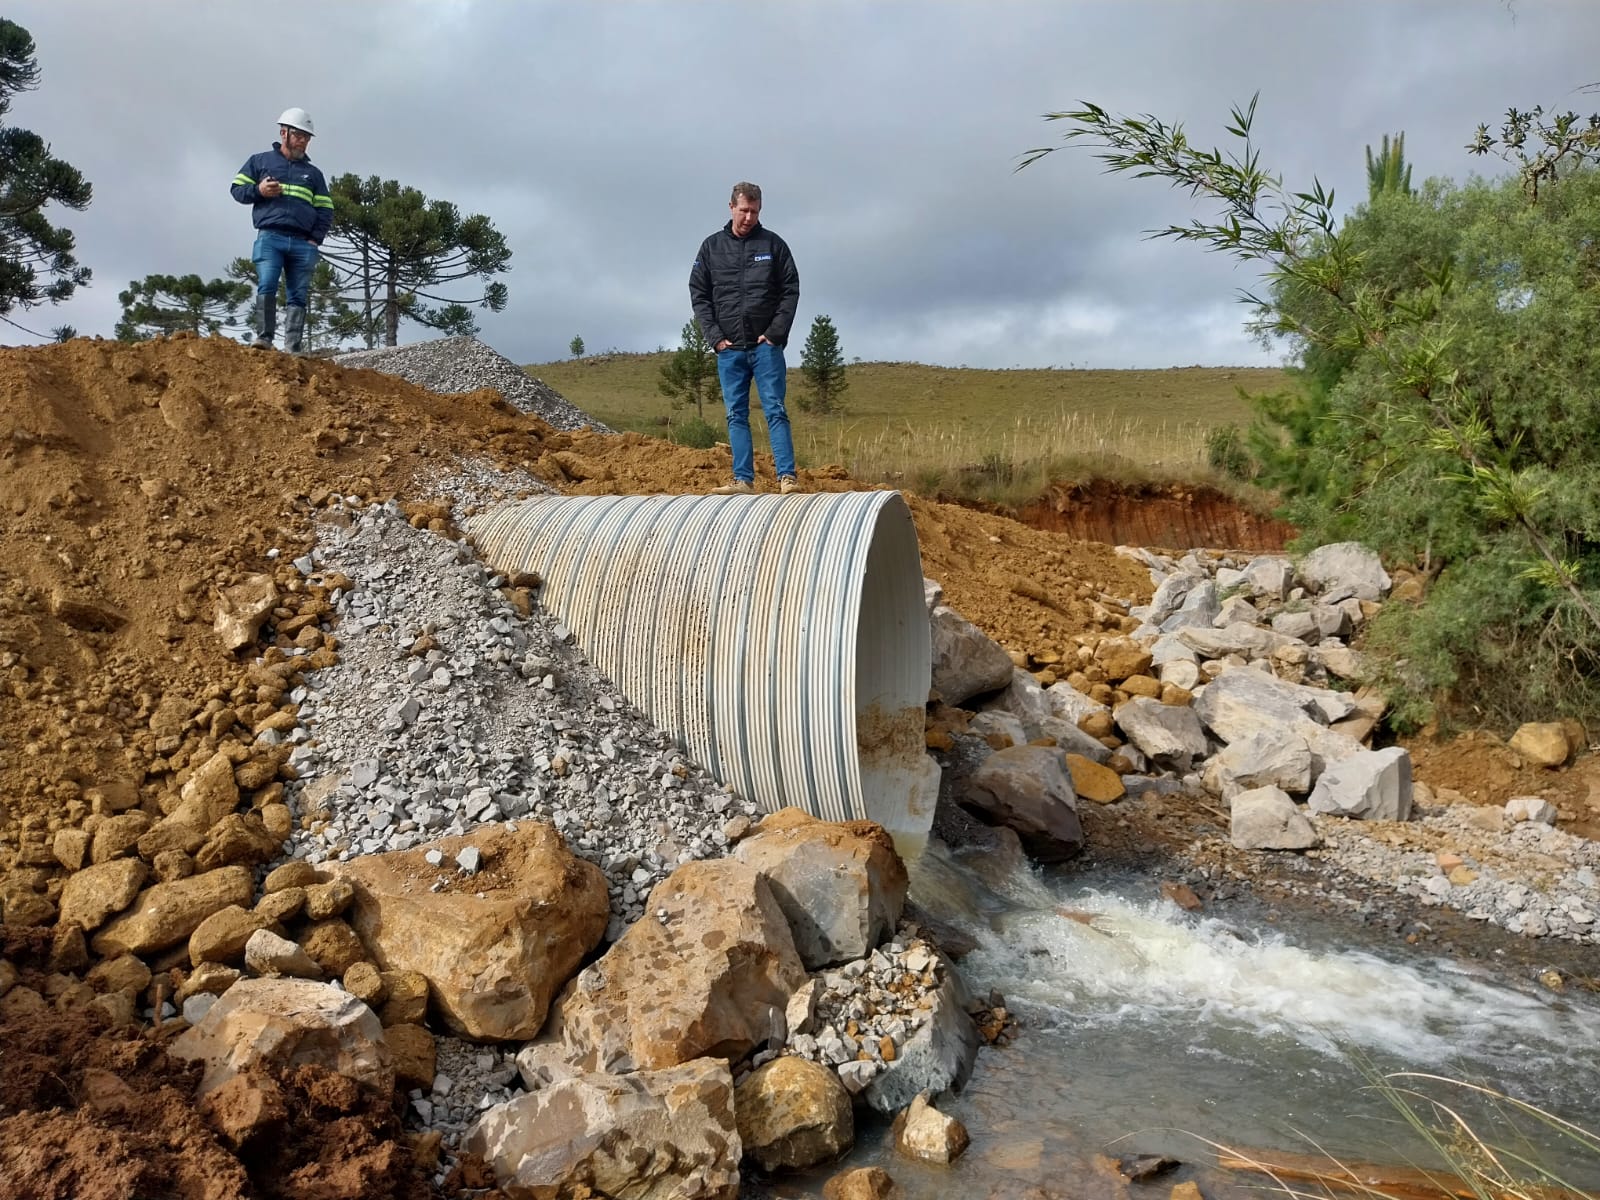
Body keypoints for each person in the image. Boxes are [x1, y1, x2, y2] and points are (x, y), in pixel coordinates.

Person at [689, 182, 802, 495]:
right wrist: (715, 338)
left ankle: (787, 478)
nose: (749, 217)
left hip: (765, 347)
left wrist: (775, 333)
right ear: (731, 208)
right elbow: (699, 294)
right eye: (744, 210)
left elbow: (790, 290)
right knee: (735, 414)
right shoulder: (711, 248)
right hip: (729, 350)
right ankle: (743, 480)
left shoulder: (774, 245)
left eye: (755, 211)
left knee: (775, 408)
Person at [230, 107, 333, 354]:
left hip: (302, 243)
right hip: (270, 236)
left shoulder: (314, 175)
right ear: (283, 133)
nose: (303, 141)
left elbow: (325, 209)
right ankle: (264, 339)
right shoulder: (260, 162)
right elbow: (236, 190)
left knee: (298, 294)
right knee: (267, 284)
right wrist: (259, 191)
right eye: (299, 135)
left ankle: (292, 347)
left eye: (306, 137)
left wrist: (314, 240)